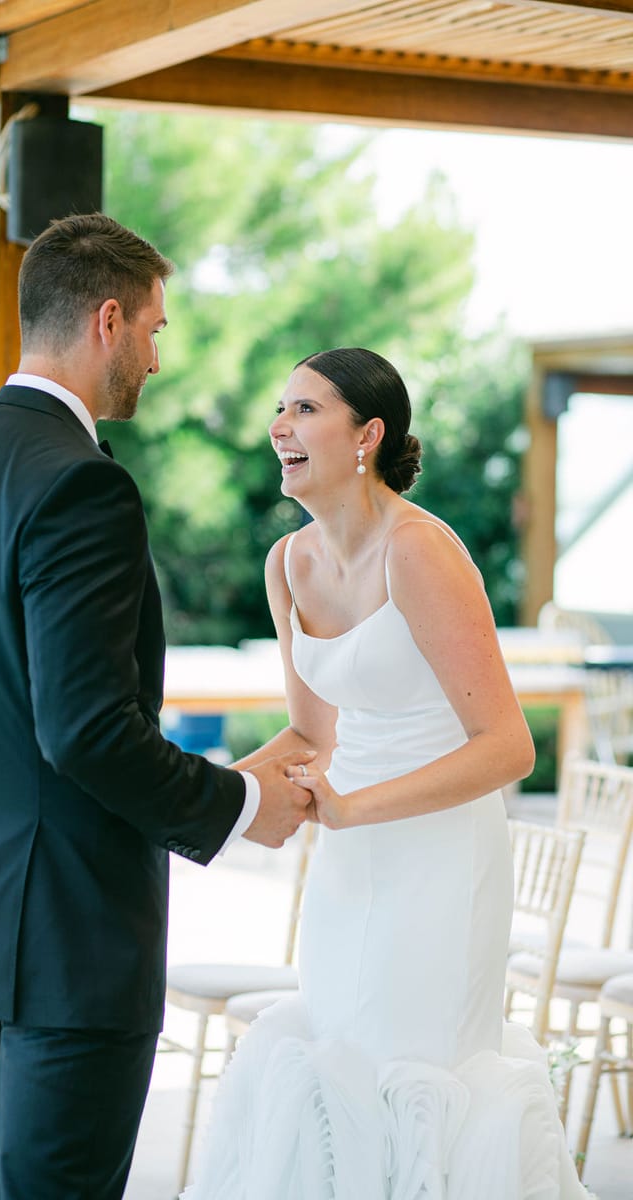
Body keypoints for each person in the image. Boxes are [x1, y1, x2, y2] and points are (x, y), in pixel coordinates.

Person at [0, 212, 313, 1200]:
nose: (156, 359)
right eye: (154, 330)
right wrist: (243, 806)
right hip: (71, 930)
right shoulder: (81, 485)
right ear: (107, 320)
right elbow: (86, 730)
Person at [184, 347, 590, 1198]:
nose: (280, 426)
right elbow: (311, 733)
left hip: (439, 857)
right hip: (349, 860)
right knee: (342, 1057)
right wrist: (192, 796)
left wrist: (354, 808)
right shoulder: (288, 564)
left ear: (367, 434)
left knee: (417, 1068)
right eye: (280, 408)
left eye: (306, 409)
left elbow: (508, 746)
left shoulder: (420, 551)